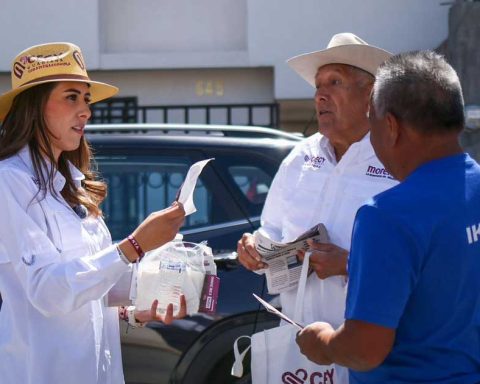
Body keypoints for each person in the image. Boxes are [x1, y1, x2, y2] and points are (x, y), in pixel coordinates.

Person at [0, 42, 186, 384]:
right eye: (71, 97)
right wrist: (133, 246)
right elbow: (47, 291)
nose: (86, 111)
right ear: (35, 106)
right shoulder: (8, 182)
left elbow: (90, 284)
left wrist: (141, 302)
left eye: (86, 99)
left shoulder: (72, 184)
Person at [296, 50, 480, 383]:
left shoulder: (385, 216)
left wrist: (320, 341)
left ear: (390, 126)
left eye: (373, 124)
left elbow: (363, 349)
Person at [237, 33, 397, 381]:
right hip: (301, 351)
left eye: (335, 82)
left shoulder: (395, 158)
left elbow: (421, 259)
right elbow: (272, 232)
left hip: (373, 354)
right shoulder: (300, 158)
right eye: (318, 85)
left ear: (370, 94)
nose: (320, 95)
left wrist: (350, 265)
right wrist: (254, 248)